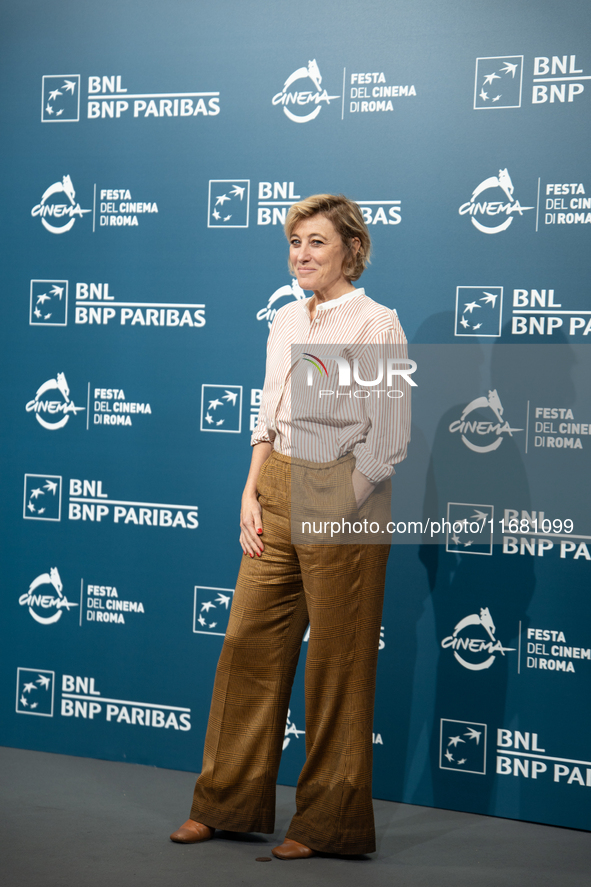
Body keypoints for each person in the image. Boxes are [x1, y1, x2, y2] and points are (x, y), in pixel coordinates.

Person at [170, 194, 411, 858]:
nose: (302, 255)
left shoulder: (375, 324)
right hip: (276, 485)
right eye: (295, 243)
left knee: (337, 662)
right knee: (248, 643)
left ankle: (325, 823)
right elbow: (268, 406)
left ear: (350, 250)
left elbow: (387, 439)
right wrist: (251, 488)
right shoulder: (282, 317)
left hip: (345, 492)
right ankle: (223, 803)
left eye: (317, 243)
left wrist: (340, 502)